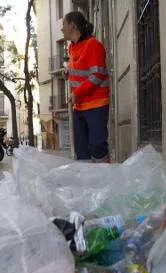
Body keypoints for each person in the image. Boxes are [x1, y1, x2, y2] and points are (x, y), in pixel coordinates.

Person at [62, 11, 110, 162]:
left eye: (64, 24)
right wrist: (67, 72)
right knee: (82, 151)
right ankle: (87, 183)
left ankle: (107, 176)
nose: (62, 28)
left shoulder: (93, 45)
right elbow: (80, 70)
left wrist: (77, 92)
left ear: (72, 25)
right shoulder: (72, 48)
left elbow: (97, 75)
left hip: (96, 104)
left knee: (97, 146)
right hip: (79, 106)